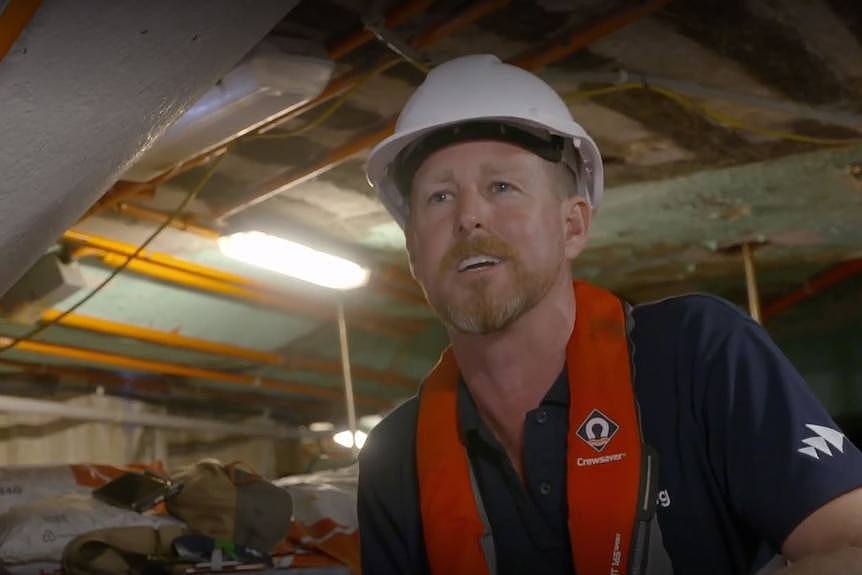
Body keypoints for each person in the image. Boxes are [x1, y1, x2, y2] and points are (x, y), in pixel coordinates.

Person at [359, 54, 862, 574]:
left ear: (573, 226)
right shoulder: (395, 460)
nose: (468, 216)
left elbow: (851, 546)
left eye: (501, 187)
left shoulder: (700, 355)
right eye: (438, 197)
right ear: (414, 254)